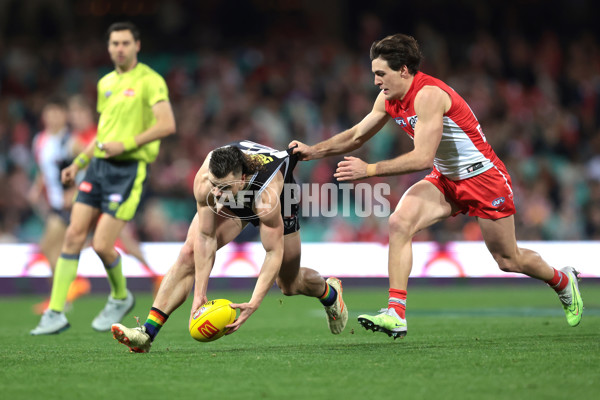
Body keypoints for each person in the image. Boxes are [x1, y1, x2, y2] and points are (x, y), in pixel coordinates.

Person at [289, 33, 583, 339]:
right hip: (446, 179)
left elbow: (422, 157)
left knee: (508, 259)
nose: (376, 81)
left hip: (483, 179)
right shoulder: (389, 97)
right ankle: (396, 313)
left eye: (381, 73)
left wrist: (370, 170)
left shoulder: (428, 95)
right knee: (399, 222)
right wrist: (314, 150)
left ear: (403, 69)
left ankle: (563, 281)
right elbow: (356, 136)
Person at [111, 140, 348, 353]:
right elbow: (206, 237)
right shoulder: (207, 182)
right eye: (215, 185)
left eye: (223, 187)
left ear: (241, 178)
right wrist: (200, 293)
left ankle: (330, 293)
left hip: (280, 201)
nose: (216, 193)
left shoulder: (268, 196)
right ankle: (146, 334)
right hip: (240, 198)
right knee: (188, 254)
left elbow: (273, 252)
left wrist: (253, 303)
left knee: (289, 284)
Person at [31, 21, 176, 335]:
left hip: (127, 170)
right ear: (109, 48)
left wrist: (125, 145)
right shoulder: (105, 83)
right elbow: (103, 134)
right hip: (97, 168)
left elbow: (166, 124)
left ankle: (120, 295)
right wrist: (80, 161)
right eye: (114, 44)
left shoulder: (151, 81)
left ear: (137, 45)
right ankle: (55, 312)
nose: (119, 49)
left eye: (125, 43)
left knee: (101, 244)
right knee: (72, 236)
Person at [28, 97, 91, 314]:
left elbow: (92, 164)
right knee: (56, 250)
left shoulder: (71, 141)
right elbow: (43, 169)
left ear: (64, 116)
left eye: (57, 113)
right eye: (49, 113)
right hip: (55, 203)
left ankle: (64, 293)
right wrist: (37, 187)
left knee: (48, 246)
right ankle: (63, 296)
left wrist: (75, 190)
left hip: (71, 204)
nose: (52, 117)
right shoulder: (40, 140)